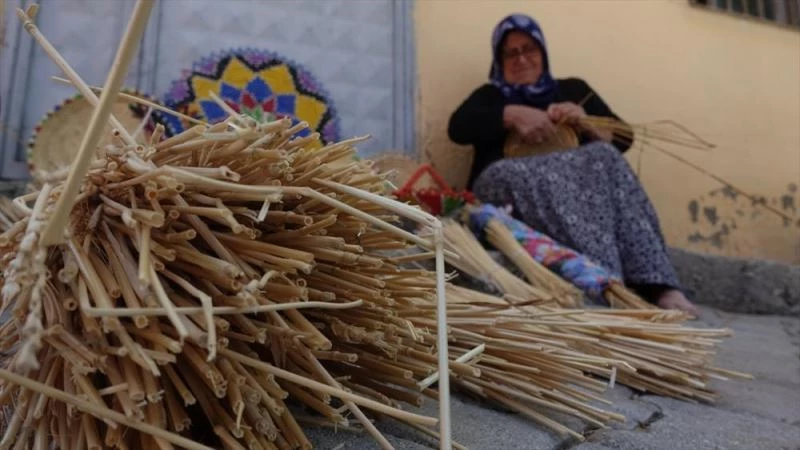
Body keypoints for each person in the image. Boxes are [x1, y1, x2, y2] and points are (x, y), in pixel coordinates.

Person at [447, 13, 699, 315]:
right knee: (505, 173)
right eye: (510, 53)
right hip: (512, 196)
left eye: (529, 49)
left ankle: (659, 286)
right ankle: (605, 281)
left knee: (605, 156)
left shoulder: (574, 90)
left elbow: (624, 138)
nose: (521, 58)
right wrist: (510, 114)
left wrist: (586, 123)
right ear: (499, 62)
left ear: (543, 52)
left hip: (581, 199)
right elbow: (457, 129)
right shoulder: (490, 96)